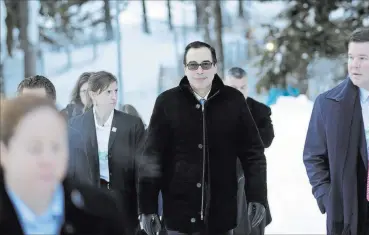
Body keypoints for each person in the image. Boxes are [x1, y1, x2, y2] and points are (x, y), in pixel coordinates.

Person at [138, 41, 268, 235]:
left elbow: (253, 153)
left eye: (206, 64)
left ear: (215, 66)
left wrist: (256, 195)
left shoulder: (234, 100)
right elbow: (151, 157)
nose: (200, 70)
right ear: (185, 68)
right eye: (193, 65)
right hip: (179, 217)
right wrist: (147, 208)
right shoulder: (167, 102)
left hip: (221, 216)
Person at [303, 28, 369, 235]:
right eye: (351, 57)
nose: (354, 65)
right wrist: (328, 197)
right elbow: (314, 157)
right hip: (352, 214)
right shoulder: (328, 104)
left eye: (362, 58)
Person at [0, 95, 128, 234]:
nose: (47, 159)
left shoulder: (101, 210)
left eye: (56, 147)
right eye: (34, 148)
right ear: (4, 152)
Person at [68, 71, 145, 233]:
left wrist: (144, 207)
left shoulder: (131, 124)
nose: (114, 97)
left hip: (125, 202)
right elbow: (71, 168)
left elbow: (142, 168)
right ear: (93, 95)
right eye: (108, 92)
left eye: (116, 91)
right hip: (90, 202)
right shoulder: (76, 126)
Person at [224, 67, 273, 235]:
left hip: (250, 184)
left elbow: (266, 140)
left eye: (242, 87)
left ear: (248, 87)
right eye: (233, 88)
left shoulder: (260, 111)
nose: (238, 92)